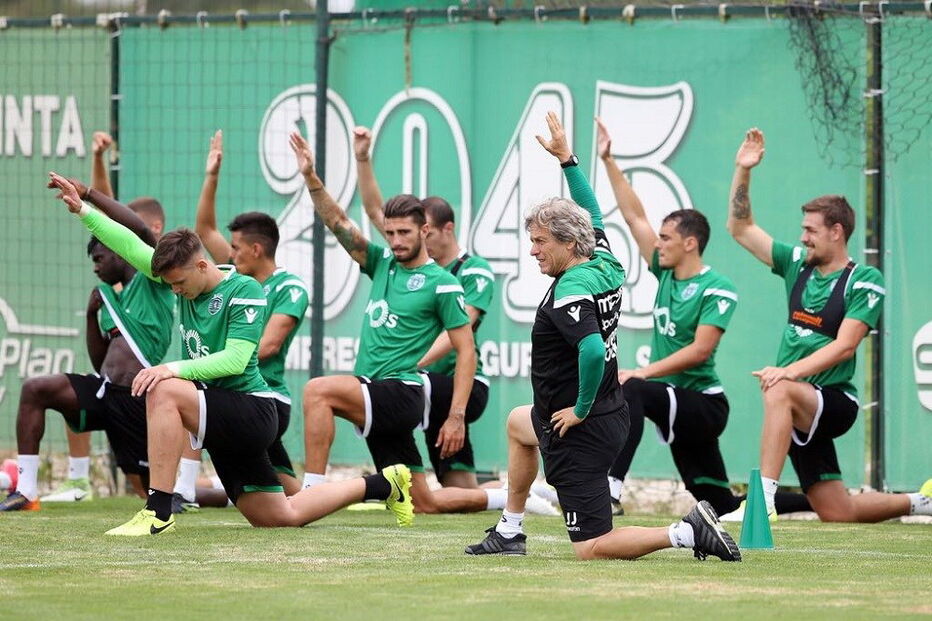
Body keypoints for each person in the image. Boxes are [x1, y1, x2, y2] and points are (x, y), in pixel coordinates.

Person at [45, 173, 413, 535]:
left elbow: (237, 359)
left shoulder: (246, 290)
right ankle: (384, 484)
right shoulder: (179, 277)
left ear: (202, 266)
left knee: (164, 388)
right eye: (169, 284)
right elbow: (131, 246)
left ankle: (158, 509)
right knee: (278, 516)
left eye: (179, 284)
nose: (174, 292)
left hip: (251, 409)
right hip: (219, 410)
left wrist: (171, 367)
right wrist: (84, 211)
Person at [465, 112, 741, 562]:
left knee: (591, 548)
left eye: (539, 242)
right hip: (603, 412)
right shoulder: (603, 260)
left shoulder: (571, 288)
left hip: (580, 427)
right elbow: (592, 212)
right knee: (519, 425)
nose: (532, 250)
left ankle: (686, 532)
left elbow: (592, 350)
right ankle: (509, 529)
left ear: (569, 244)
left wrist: (579, 409)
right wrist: (568, 160)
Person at [595, 119, 811, 519]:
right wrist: (608, 160)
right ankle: (813, 504)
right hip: (676, 401)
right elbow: (633, 218)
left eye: (667, 238)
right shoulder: (663, 272)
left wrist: (643, 372)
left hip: (704, 406)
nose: (657, 244)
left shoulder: (717, 286)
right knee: (723, 505)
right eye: (659, 238)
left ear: (690, 243)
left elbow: (701, 350)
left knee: (634, 389)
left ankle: (608, 490)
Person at [292, 131, 510, 515]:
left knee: (317, 392)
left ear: (425, 231)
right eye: (389, 233)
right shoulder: (380, 263)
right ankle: (512, 497)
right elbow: (338, 221)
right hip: (379, 392)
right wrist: (312, 178)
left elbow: (465, 352)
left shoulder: (443, 283)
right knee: (420, 502)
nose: (394, 240)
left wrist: (456, 417)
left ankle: (310, 494)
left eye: (403, 232)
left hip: (402, 391)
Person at [723, 128, 931, 522]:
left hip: (835, 402)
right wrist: (743, 169)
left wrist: (787, 372)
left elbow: (846, 345)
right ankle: (921, 502)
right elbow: (741, 229)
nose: (803, 237)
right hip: (799, 401)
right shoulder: (797, 263)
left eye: (811, 231)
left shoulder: (864, 279)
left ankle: (762, 501)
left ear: (837, 232)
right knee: (838, 512)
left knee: (779, 388)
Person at [0, 185, 174, 512]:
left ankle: (215, 493)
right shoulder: (110, 298)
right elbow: (100, 362)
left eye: (99, 258)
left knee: (156, 495)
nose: (95, 267)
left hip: (135, 398)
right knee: (36, 389)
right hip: (104, 392)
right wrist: (92, 317)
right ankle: (25, 490)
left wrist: (88, 195)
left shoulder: (154, 277)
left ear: (120, 252)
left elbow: (135, 228)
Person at [170, 130, 308, 510]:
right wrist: (212, 175)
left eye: (235, 246)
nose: (227, 251)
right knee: (288, 498)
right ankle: (374, 488)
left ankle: (180, 491)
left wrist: (211, 362)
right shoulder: (233, 276)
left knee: (186, 392)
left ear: (256, 248)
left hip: (267, 397)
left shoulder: (290, 287)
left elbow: (268, 345)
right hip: (235, 391)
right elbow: (204, 231)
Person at [354, 127, 494, 490]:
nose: (406, 239)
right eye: (395, 233)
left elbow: (459, 335)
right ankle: (513, 493)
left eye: (421, 231)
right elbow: (373, 210)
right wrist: (363, 158)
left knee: (395, 389)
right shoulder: (404, 264)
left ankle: (395, 479)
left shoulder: (470, 271)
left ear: (442, 229)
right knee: (456, 485)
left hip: (459, 383)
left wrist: (410, 363)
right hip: (432, 384)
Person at [42, 131, 167, 503]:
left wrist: (90, 194)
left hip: (145, 383)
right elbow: (104, 221)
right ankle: (77, 480)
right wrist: (97, 163)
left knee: (156, 489)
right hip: (115, 385)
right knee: (65, 388)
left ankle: (198, 489)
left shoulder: (159, 268)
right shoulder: (118, 285)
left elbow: (120, 223)